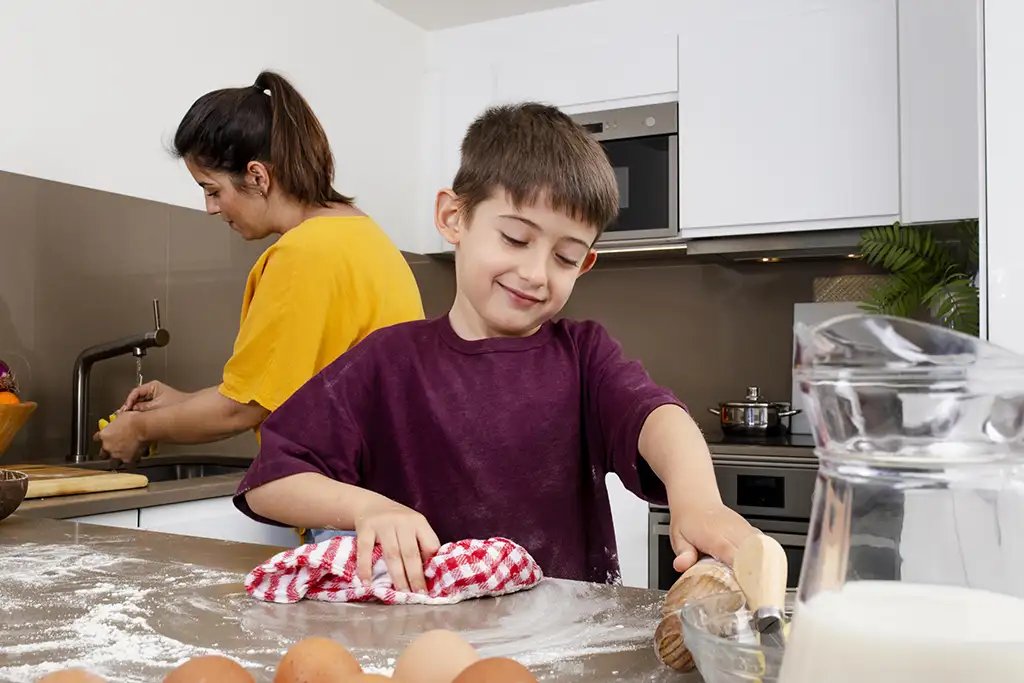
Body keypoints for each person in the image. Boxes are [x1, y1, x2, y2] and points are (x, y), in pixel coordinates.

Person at [233, 102, 756, 592]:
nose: (535, 273)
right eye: (514, 238)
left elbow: (658, 418)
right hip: (419, 644)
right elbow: (270, 482)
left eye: (565, 257)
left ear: (585, 265)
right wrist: (368, 508)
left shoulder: (583, 356)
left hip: (560, 643)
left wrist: (698, 498)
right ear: (453, 218)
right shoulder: (386, 361)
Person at [93, 70, 425, 467]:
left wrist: (140, 430)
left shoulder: (304, 254)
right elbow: (268, 389)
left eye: (213, 190)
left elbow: (243, 410)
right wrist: (180, 403)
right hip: (390, 487)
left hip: (354, 497)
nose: (211, 208)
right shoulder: (358, 233)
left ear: (257, 176)